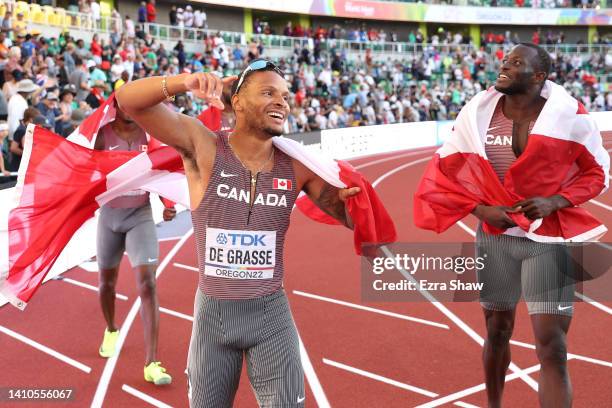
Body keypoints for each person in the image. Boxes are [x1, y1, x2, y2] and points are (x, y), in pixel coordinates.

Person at [116, 59, 361, 406]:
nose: (282, 102)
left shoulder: (298, 165)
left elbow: (356, 223)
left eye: (285, 96)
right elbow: (128, 100)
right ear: (239, 103)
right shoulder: (204, 146)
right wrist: (184, 83)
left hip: (271, 316)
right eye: (268, 93)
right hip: (213, 319)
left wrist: (354, 205)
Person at [414, 43, 609, 408]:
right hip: (495, 239)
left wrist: (556, 201)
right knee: (497, 330)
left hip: (547, 240)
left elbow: (597, 173)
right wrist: (479, 209)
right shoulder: (478, 112)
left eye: (515, 63)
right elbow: (448, 170)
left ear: (538, 77)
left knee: (551, 345)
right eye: (504, 60)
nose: (504, 66)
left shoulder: (569, 117)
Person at [94, 101, 177, 385]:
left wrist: (167, 203)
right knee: (106, 283)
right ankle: (111, 328)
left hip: (140, 214)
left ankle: (151, 362)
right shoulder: (102, 134)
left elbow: (162, 168)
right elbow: (86, 170)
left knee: (148, 284)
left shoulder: (149, 132)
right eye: (125, 103)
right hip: (110, 216)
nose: (132, 108)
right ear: (115, 107)